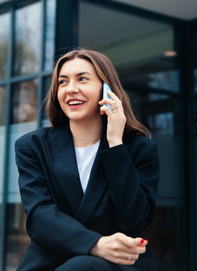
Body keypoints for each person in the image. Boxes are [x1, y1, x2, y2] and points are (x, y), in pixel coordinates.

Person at [14, 48, 160, 271]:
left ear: (107, 89)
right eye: (63, 82)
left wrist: (115, 144)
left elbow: (135, 219)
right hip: (51, 261)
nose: (71, 89)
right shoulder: (32, 146)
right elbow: (39, 216)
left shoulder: (140, 150)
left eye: (82, 79)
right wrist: (95, 244)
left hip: (118, 264)